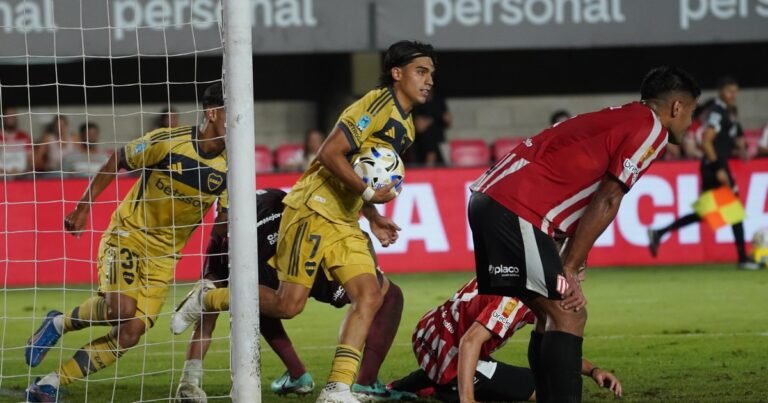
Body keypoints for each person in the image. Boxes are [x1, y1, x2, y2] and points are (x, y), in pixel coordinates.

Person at [467, 66, 700, 402]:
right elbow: (608, 197)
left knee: (551, 314)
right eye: (691, 113)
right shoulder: (651, 129)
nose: (690, 123)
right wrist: (570, 267)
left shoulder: (620, 118)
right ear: (677, 107)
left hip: (492, 202)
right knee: (569, 313)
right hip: (515, 208)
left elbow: (580, 187)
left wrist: (575, 255)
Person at [24, 83, 228, 402]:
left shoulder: (231, 167)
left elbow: (224, 222)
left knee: (131, 332)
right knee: (123, 309)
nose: (239, 122)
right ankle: (59, 323)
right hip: (129, 235)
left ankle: (48, 382)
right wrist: (83, 207)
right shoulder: (169, 141)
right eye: (233, 114)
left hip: (165, 258)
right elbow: (117, 159)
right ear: (213, 113)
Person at [262, 40, 435, 403]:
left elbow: (364, 172)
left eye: (431, 73)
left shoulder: (408, 127)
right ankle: (214, 296)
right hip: (313, 206)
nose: (429, 80)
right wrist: (370, 197)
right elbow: (329, 153)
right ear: (397, 73)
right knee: (288, 306)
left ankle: (337, 388)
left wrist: (371, 214)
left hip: (343, 216)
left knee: (370, 294)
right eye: (421, 71)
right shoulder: (377, 104)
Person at [170, 188, 410, 401]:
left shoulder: (221, 239)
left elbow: (205, 320)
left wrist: (189, 380)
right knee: (382, 294)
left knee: (265, 302)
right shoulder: (277, 196)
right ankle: (362, 383)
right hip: (299, 241)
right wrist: (371, 216)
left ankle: (299, 375)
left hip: (276, 253)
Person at [389, 276, 622, 403]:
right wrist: (467, 399)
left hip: (428, 335)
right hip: (451, 350)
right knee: (545, 392)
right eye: (578, 273)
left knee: (543, 379)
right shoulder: (518, 300)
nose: (581, 279)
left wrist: (593, 370)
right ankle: (449, 388)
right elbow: (470, 342)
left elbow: (557, 350)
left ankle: (411, 385)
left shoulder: (515, 274)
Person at [648, 76, 760, 270]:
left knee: (707, 213)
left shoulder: (728, 113)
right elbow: (707, 141)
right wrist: (719, 169)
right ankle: (743, 259)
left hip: (714, 165)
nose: (733, 95)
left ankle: (660, 232)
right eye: (729, 91)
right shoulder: (717, 112)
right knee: (733, 211)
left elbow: (726, 139)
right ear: (721, 92)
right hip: (714, 167)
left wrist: (739, 146)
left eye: (735, 92)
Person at [411, 91, 451, 167]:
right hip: (422, 144)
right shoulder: (416, 102)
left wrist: (447, 119)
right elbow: (418, 126)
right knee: (428, 139)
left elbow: (447, 121)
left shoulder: (439, 100)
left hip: (439, 143)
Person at [0, 105, 32, 176]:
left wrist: (24, 171)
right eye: (8, 115)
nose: (11, 118)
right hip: (2, 177)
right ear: (3, 117)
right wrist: (5, 172)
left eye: (13, 115)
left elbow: (31, 160)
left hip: (22, 176)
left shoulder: (25, 136)